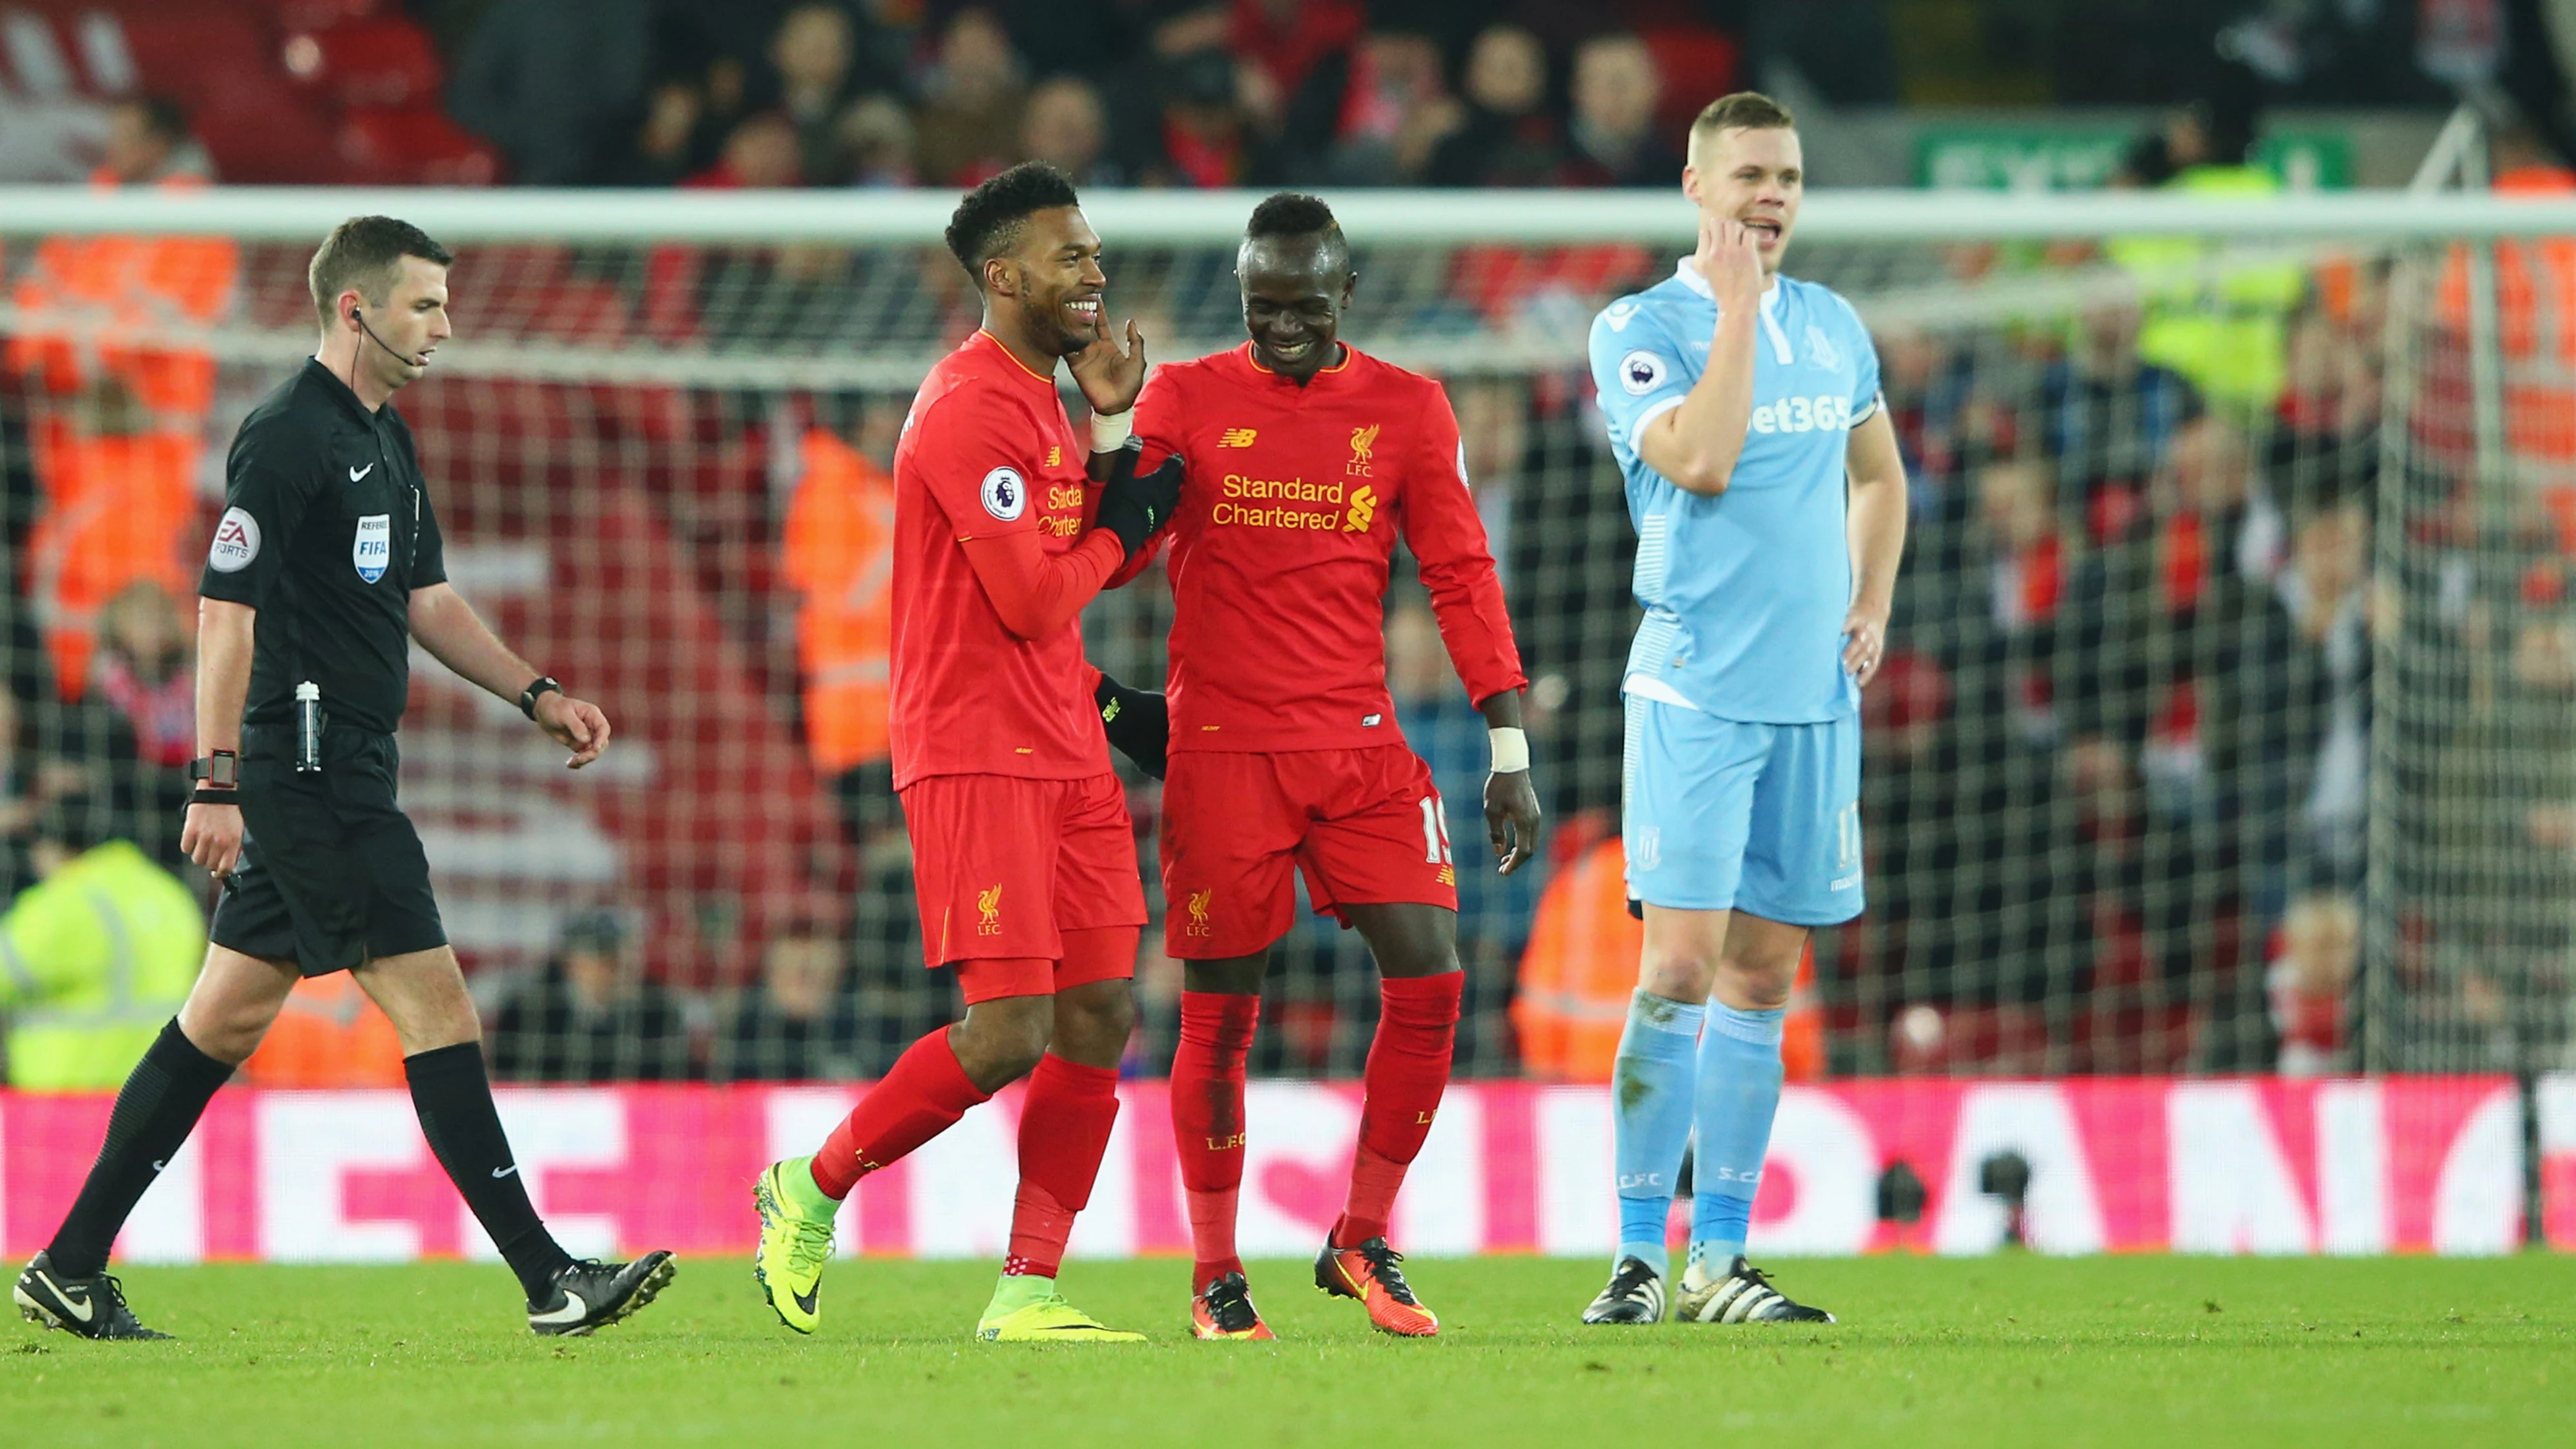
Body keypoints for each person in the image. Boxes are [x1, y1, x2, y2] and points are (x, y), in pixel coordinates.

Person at [11, 217, 674, 1342]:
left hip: (349, 763)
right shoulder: (284, 438)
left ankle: (69, 1264)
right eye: (425, 305)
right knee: (436, 1003)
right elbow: (226, 609)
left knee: (217, 1024)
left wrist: (535, 693)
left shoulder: (387, 440)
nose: (446, 326)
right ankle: (547, 1275)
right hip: (309, 770)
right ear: (356, 308)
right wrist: (216, 781)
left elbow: (428, 601)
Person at [1094, 192, 1538, 1340]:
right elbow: (1115, 544)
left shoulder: (1405, 408)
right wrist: (1107, 433)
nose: (1279, 326)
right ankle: (1212, 1273)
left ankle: (1362, 1234)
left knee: (1431, 972)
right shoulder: (1186, 395)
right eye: (1260, 305)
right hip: (1224, 752)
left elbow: (1460, 573)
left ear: (1346, 297)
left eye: (1301, 306)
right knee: (1217, 1019)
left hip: (1358, 745)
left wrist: (1506, 746)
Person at [750, 163, 1181, 1344]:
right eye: (1070, 256)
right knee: (1008, 1032)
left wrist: (1111, 438)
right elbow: (1039, 595)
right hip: (973, 753)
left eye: (1095, 252)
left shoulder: (1040, 401)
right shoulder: (965, 409)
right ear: (1003, 276)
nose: (1093, 272)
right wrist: (1132, 513)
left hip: (1062, 744)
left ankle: (1028, 1290)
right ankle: (810, 1185)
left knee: (1100, 1012)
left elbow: (1072, 557)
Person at [1580, 92, 1906, 1327]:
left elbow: (1876, 478)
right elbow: (1703, 460)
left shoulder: (1832, 326)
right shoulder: (1639, 327)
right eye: (1751, 175)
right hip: (1696, 691)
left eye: (1788, 177)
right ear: (1696, 188)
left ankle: (1721, 1260)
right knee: (1676, 965)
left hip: (1813, 702)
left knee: (1764, 983)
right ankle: (1631, 1258)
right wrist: (1732, 314)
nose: (1772, 195)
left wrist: (1867, 598)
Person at [0, 795, 202, 1090]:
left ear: (50, 846)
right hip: (159, 1096)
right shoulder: (171, 895)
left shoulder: (60, 903)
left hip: (68, 1098)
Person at [487, 909, 696, 1082]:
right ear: (571, 962)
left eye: (624, 958)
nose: (618, 969)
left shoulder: (660, 1011)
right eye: (605, 958)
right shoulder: (529, 1010)